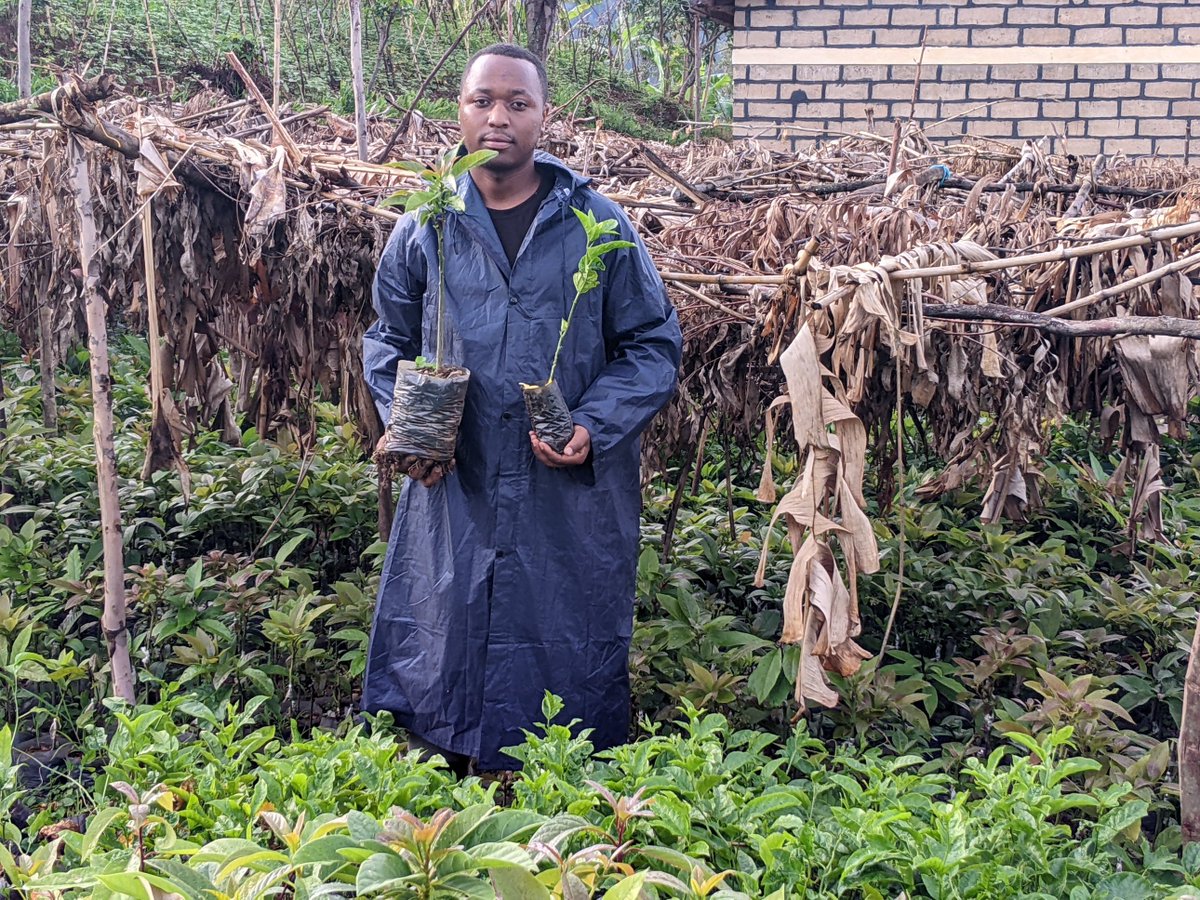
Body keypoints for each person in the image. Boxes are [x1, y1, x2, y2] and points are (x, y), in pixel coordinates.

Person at [361, 43, 682, 775]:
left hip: (561, 482)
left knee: (562, 621)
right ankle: (445, 765)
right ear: (460, 112)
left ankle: (558, 782)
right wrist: (409, 419)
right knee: (446, 611)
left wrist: (592, 424)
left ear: (545, 117)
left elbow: (653, 342)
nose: (498, 117)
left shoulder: (596, 222)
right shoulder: (429, 223)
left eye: (517, 102)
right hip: (459, 470)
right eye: (482, 101)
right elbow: (387, 335)